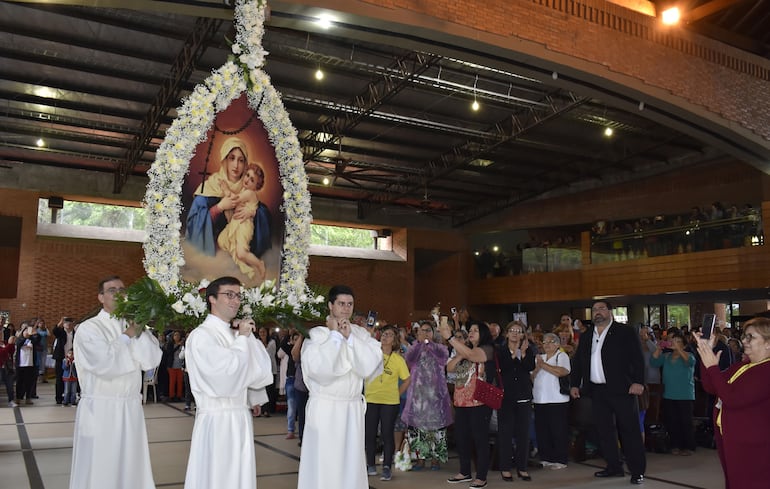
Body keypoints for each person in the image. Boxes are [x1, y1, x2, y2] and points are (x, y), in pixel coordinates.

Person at [71, 275, 162, 489]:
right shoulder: (89, 328)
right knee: (101, 465)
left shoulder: (135, 323)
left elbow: (151, 360)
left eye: (122, 290)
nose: (119, 294)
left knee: (131, 464)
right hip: (102, 407)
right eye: (112, 290)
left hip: (130, 406)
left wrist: (136, 332)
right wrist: (127, 337)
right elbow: (104, 365)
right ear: (101, 297)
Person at [184, 276, 274, 489]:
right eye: (229, 295)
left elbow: (261, 372)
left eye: (238, 296)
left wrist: (247, 338)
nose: (235, 301)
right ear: (212, 299)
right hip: (217, 420)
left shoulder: (236, 333)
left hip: (239, 417)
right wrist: (243, 339)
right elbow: (225, 378)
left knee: (238, 478)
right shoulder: (201, 336)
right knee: (218, 477)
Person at [297, 285, 383, 489]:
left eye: (350, 304)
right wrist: (335, 336)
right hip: (325, 408)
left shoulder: (361, 334)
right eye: (341, 304)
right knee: (325, 463)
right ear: (330, 305)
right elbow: (320, 370)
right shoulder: (317, 335)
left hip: (351, 408)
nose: (346, 308)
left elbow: (370, 365)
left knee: (350, 465)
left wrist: (350, 338)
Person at [570, 300, 646, 485]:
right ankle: (613, 466)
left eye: (602, 308)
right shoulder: (587, 335)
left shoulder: (625, 332)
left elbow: (638, 358)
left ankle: (637, 471)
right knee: (604, 431)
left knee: (629, 430)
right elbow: (579, 362)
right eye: (595, 309)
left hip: (622, 389)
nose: (598, 312)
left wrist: (638, 382)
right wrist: (574, 384)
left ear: (610, 312)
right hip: (597, 391)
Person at [696, 317, 770, 489]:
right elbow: (712, 387)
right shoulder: (743, 366)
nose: (744, 340)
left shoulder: (766, 371)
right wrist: (706, 355)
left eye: (751, 337)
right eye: (745, 336)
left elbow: (733, 399)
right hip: (732, 436)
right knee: (734, 481)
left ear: (768, 343)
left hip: (754, 442)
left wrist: (712, 367)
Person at [185, 137, 271, 259]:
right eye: (232, 158)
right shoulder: (211, 186)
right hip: (213, 259)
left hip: (237, 258)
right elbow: (193, 224)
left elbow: (263, 215)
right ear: (224, 160)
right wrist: (219, 208)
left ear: (245, 164)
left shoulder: (248, 188)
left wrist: (253, 212)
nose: (236, 165)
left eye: (241, 160)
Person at [440, 319, 495, 489]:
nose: (471, 333)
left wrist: (450, 338)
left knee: (480, 439)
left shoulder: (487, 349)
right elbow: (449, 367)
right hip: (461, 401)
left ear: (483, 334)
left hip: (479, 401)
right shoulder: (465, 351)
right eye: (470, 330)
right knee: (461, 438)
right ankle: (464, 472)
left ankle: (481, 476)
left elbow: (473, 356)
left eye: (475, 330)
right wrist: (461, 353)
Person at [401, 320, 453, 472]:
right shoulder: (413, 348)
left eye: (428, 330)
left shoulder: (440, 347)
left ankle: (435, 460)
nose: (425, 333)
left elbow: (443, 359)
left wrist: (430, 345)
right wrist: (419, 345)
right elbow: (409, 360)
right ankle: (420, 459)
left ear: (433, 333)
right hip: (418, 395)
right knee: (418, 428)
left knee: (435, 428)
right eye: (422, 331)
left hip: (436, 395)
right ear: (417, 334)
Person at [364, 324, 410, 481]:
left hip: (390, 402)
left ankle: (386, 468)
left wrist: (397, 393)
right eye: (383, 334)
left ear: (395, 340)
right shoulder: (371, 354)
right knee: (369, 434)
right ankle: (370, 465)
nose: (385, 336)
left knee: (387, 434)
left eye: (389, 334)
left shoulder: (398, 360)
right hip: (371, 399)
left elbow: (407, 379)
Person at [496, 320, 537, 482]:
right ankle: (505, 468)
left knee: (523, 433)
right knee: (505, 433)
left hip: (524, 395)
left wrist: (524, 353)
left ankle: (522, 467)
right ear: (506, 333)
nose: (515, 333)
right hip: (505, 397)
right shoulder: (500, 350)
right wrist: (515, 354)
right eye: (512, 330)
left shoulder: (530, 349)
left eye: (519, 331)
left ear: (523, 334)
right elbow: (504, 367)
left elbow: (529, 368)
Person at [217, 163, 270, 280]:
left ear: (256, 186)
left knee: (241, 253)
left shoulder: (249, 193)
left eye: (252, 180)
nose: (247, 180)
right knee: (222, 240)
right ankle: (244, 265)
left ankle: (259, 264)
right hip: (236, 223)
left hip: (244, 226)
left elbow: (234, 200)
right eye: (247, 175)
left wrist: (226, 189)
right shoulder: (243, 189)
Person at [650, 332, 696, 455]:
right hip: (669, 394)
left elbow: (689, 362)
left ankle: (688, 446)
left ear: (684, 345)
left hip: (684, 394)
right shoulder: (666, 356)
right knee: (672, 421)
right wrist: (659, 348)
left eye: (678, 341)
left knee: (685, 421)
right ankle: (675, 445)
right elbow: (653, 361)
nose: (674, 343)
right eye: (673, 341)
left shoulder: (689, 355)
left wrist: (679, 349)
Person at [532, 332, 571, 470]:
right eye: (544, 342)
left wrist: (543, 365)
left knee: (558, 430)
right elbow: (531, 377)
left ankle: (560, 459)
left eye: (550, 342)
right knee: (542, 430)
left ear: (557, 344)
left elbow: (562, 372)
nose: (547, 345)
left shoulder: (561, 356)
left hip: (557, 399)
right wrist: (538, 367)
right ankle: (546, 457)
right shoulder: (539, 358)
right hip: (539, 399)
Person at [14, 322, 40, 405]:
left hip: (30, 364)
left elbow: (38, 339)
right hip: (21, 364)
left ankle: (28, 397)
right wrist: (25, 337)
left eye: (28, 331)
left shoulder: (33, 340)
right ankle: (19, 397)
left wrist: (34, 332)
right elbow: (19, 344)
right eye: (25, 331)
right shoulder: (19, 339)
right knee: (20, 382)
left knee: (29, 382)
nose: (27, 332)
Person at [52, 317, 76, 405]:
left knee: (73, 378)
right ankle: (59, 397)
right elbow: (55, 331)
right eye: (66, 323)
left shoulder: (75, 333)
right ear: (63, 324)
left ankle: (71, 397)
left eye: (70, 323)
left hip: (72, 359)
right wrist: (60, 322)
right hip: (61, 358)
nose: (68, 324)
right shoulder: (61, 332)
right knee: (59, 378)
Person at [165, 330, 185, 401]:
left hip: (180, 365)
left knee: (180, 381)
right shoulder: (170, 344)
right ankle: (172, 396)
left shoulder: (183, 344)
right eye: (175, 335)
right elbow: (170, 352)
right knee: (172, 381)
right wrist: (178, 345)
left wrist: (181, 345)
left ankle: (179, 395)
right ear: (173, 336)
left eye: (178, 335)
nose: (177, 336)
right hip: (172, 365)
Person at [0, 336, 16, 407]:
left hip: (7, 367)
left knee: (10, 385)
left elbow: (11, 351)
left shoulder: (3, 343)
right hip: (0, 367)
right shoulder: (6, 345)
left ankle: (11, 400)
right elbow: (2, 353)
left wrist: (12, 344)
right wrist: (9, 344)